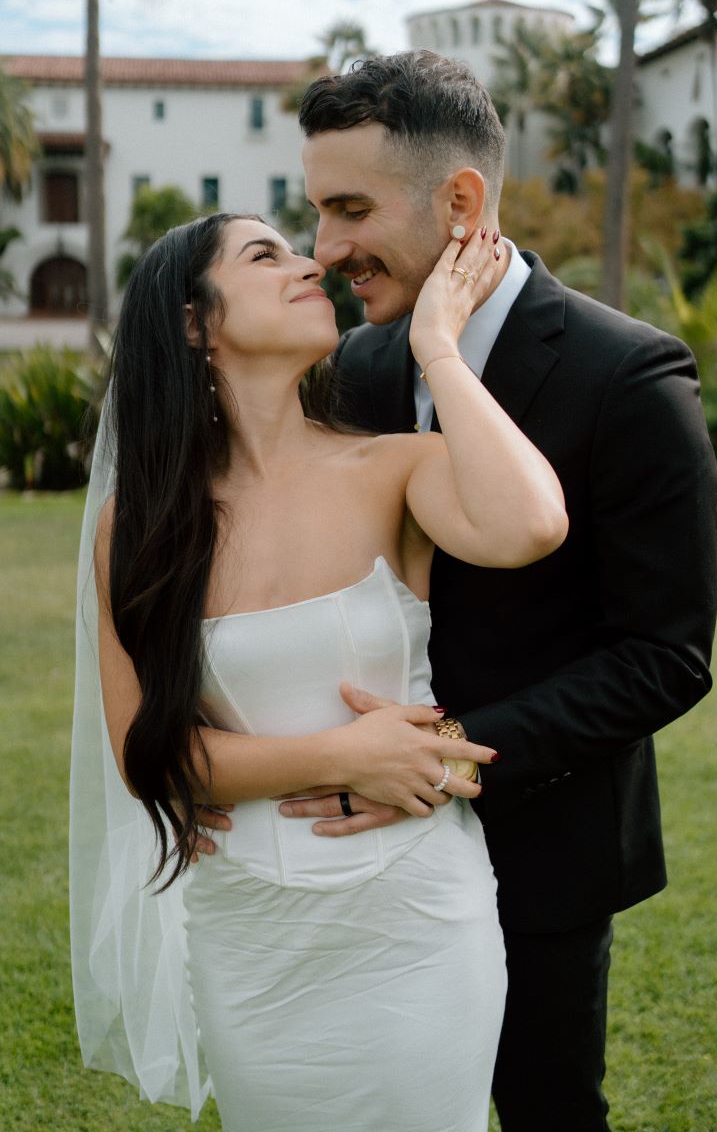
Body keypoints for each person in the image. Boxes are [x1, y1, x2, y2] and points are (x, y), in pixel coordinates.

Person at [265, 50, 717, 1131]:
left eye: (347, 209)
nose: (324, 251)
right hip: (353, 841)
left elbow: (665, 654)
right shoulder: (361, 372)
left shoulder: (631, 381)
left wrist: (449, 754)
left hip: (545, 845)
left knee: (543, 1109)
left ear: (460, 201)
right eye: (314, 211)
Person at [70, 210, 569, 1131]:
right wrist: (346, 753)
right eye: (267, 255)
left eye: (298, 250)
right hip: (253, 937)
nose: (310, 263)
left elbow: (532, 523)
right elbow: (153, 756)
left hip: (418, 922)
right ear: (193, 323)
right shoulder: (137, 527)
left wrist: (439, 350)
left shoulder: (393, 468)